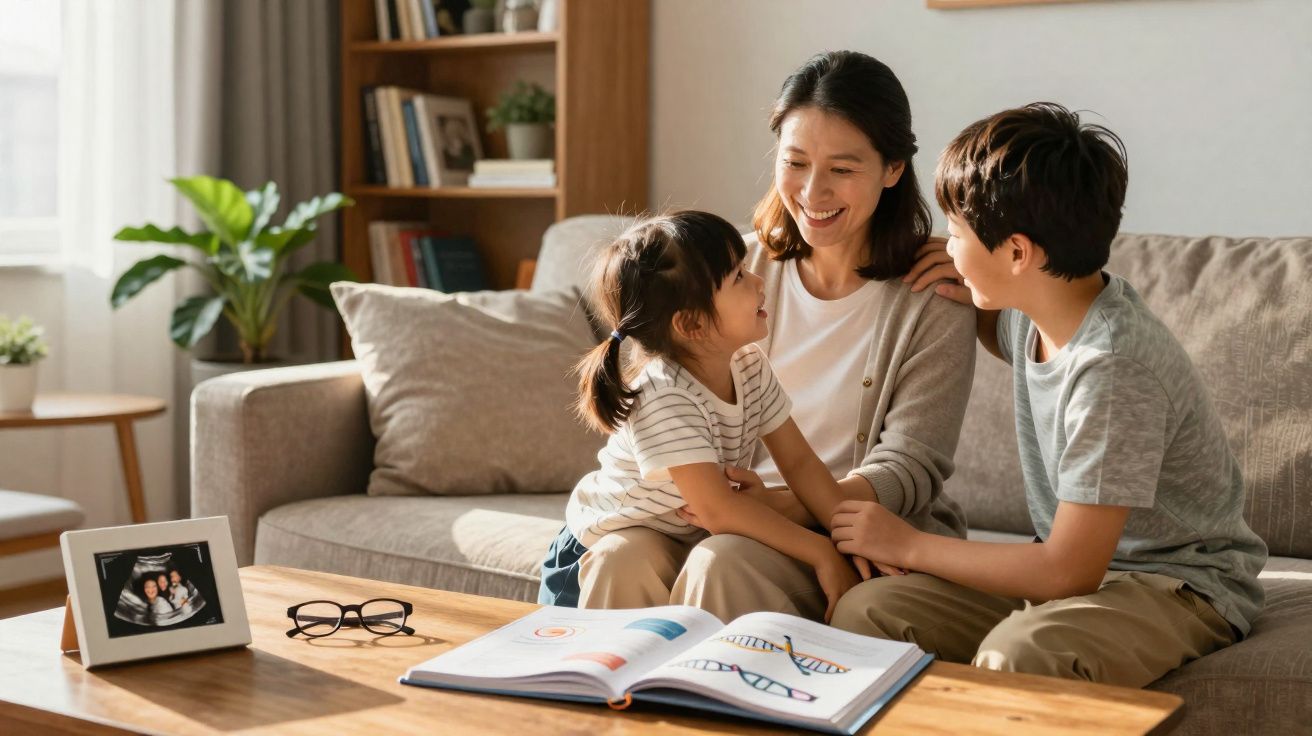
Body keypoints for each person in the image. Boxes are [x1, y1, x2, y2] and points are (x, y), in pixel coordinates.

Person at [829, 102, 1267, 687]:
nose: (947, 247)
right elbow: (1002, 332)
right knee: (869, 610)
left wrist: (907, 544)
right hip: (1087, 583)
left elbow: (1067, 572)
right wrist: (968, 290)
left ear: (1016, 252)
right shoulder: (1047, 310)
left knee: (1020, 654)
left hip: (1175, 586)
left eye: (956, 233)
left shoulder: (1113, 369)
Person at [576, 51, 976, 622]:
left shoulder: (932, 294)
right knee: (620, 556)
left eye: (842, 168)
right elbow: (658, 397)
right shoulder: (716, 270)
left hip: (829, 521)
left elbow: (911, 467)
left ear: (892, 169)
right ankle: (600, 704)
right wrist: (742, 507)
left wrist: (786, 508)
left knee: (724, 559)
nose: (813, 193)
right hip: (705, 509)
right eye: (795, 162)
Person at [538, 210, 872, 622]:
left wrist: (851, 542)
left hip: (677, 529)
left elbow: (800, 463)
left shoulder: (748, 364)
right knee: (623, 560)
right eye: (737, 278)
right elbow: (717, 509)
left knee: (708, 562)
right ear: (692, 324)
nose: (758, 281)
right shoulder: (662, 394)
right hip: (603, 538)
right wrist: (820, 551)